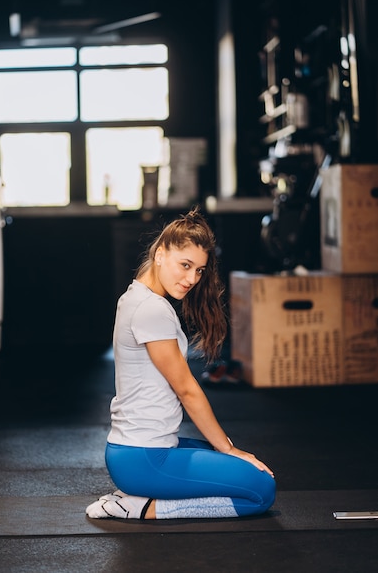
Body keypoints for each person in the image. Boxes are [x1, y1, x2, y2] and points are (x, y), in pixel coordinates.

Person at [86, 207, 276, 520]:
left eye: (199, 270)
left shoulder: (134, 297)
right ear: (160, 254)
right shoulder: (152, 309)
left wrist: (227, 449)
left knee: (228, 458)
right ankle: (141, 507)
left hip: (134, 452)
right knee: (260, 490)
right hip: (144, 459)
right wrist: (230, 450)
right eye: (185, 265)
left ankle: (134, 496)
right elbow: (186, 389)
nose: (192, 279)